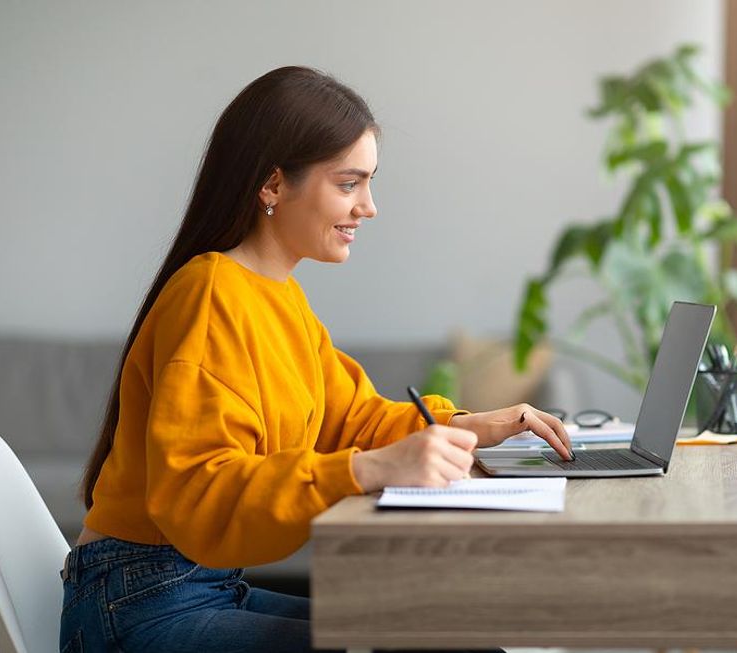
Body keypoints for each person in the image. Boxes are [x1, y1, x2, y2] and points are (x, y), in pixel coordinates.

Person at [58, 66, 573, 653]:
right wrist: (368, 469)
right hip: (136, 607)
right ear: (273, 186)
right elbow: (199, 492)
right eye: (349, 184)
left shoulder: (279, 297)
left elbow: (350, 418)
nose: (369, 207)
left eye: (369, 183)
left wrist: (464, 426)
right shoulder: (209, 295)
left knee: (440, 633)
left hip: (200, 588)